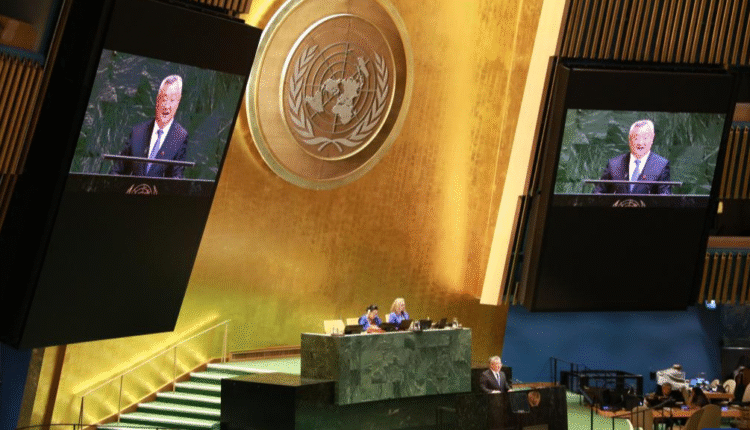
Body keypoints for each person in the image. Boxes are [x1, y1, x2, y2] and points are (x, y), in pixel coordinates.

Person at [111, 75, 188, 178]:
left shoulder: (180, 136)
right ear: (157, 99)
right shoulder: (138, 132)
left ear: (178, 102)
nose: (167, 106)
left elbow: (177, 178)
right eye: (164, 99)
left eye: (172, 100)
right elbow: (116, 171)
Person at [593, 119, 671, 195]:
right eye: (636, 138)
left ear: (652, 139)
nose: (640, 143)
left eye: (645, 138)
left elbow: (665, 197)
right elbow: (597, 194)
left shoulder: (661, 166)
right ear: (629, 139)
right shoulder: (614, 165)